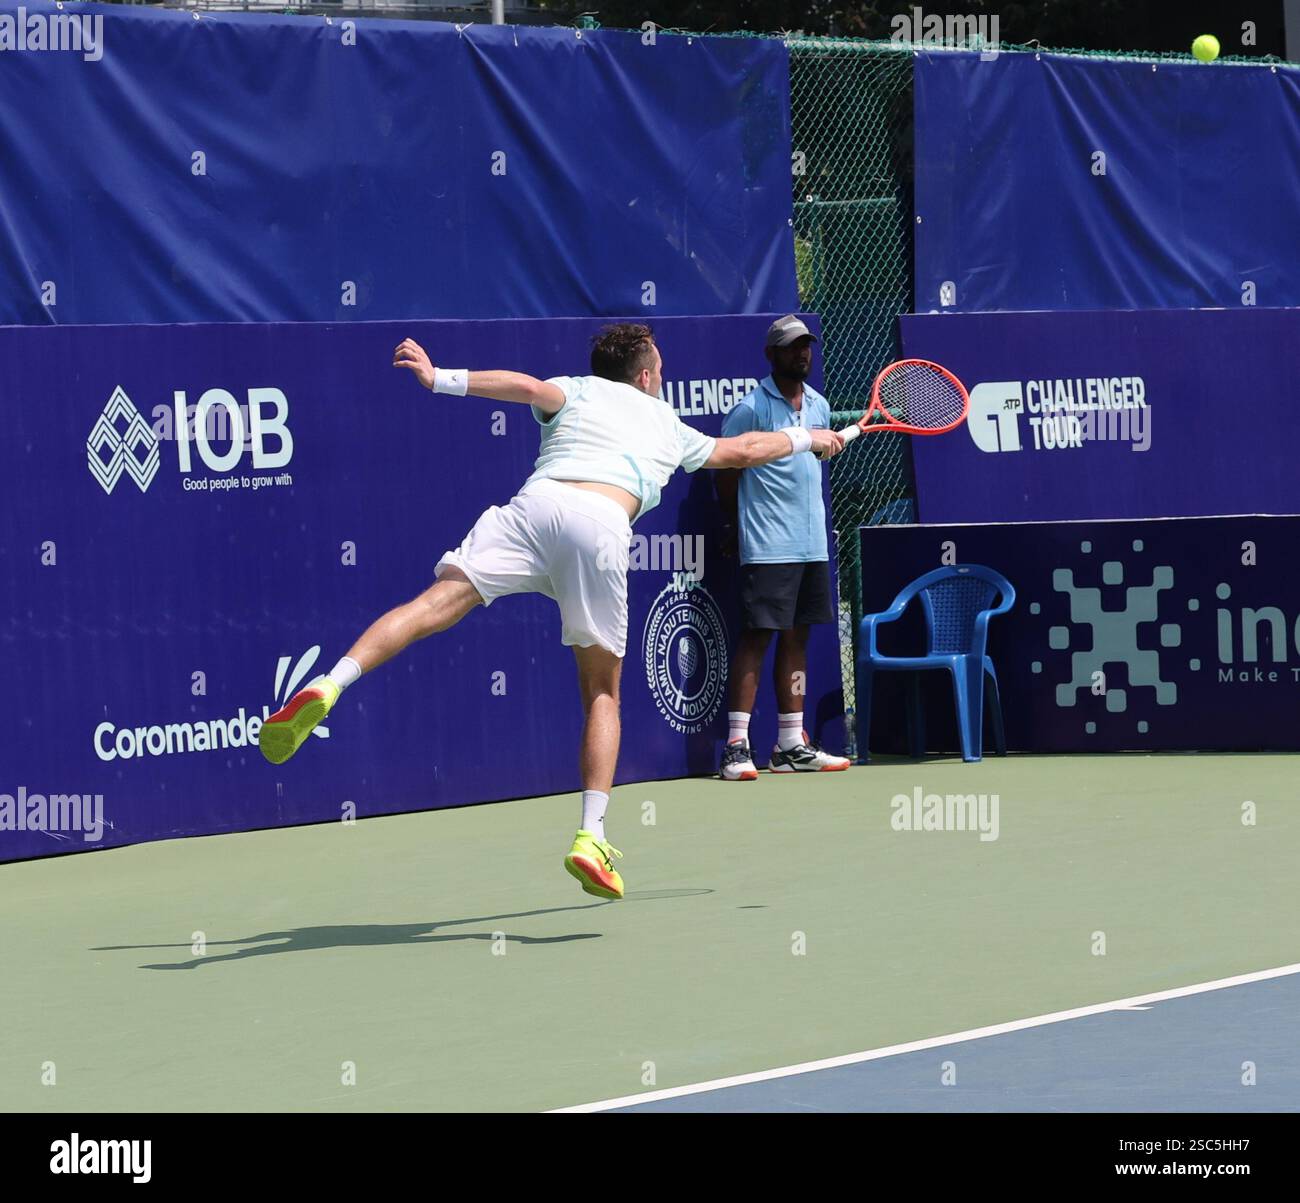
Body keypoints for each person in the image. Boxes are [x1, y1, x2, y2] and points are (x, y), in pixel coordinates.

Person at [258, 323, 844, 898]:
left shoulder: (579, 389)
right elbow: (743, 450)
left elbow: (526, 387)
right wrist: (809, 438)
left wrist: (440, 379)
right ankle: (591, 837)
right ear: (645, 376)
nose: (663, 379)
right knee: (602, 693)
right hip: (600, 525)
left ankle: (330, 684)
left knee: (431, 604)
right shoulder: (666, 421)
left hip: (534, 508)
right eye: (661, 371)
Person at [716, 315, 851, 780]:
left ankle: (790, 744)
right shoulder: (751, 409)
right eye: (792, 347)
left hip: (811, 545)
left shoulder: (820, 406)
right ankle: (736, 746)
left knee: (798, 639)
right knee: (758, 638)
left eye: (806, 346)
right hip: (768, 543)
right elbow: (727, 469)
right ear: (771, 354)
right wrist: (736, 524)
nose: (802, 354)